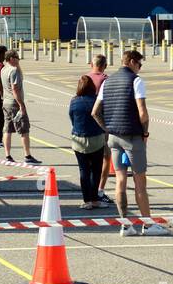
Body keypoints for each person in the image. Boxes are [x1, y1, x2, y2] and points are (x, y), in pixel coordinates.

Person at [91, 50, 166, 235]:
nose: (140, 69)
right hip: (132, 137)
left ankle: (125, 225)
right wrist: (145, 133)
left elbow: (95, 112)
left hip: (114, 137)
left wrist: (107, 128)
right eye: (139, 65)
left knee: (120, 181)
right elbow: (143, 112)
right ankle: (148, 225)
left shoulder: (107, 81)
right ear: (132, 62)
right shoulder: (136, 81)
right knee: (140, 183)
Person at [69, 75, 107, 209]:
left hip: (78, 139)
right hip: (96, 138)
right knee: (96, 170)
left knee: (83, 170)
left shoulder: (74, 101)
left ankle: (87, 201)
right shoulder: (97, 100)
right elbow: (102, 116)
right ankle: (95, 199)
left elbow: (72, 118)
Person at [0, 50, 41, 165]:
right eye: (17, 57)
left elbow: (3, 84)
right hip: (15, 103)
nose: (18, 59)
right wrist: (21, 105)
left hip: (6, 102)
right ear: (11, 58)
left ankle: (7, 155)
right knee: (24, 129)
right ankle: (27, 155)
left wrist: (3, 97)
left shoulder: (4, 69)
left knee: (8, 129)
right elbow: (15, 88)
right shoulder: (13, 71)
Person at [87, 54, 113, 205]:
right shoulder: (106, 80)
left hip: (85, 122)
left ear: (92, 64)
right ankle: (100, 190)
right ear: (105, 65)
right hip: (101, 121)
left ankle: (89, 189)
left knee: (88, 160)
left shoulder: (84, 78)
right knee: (105, 158)